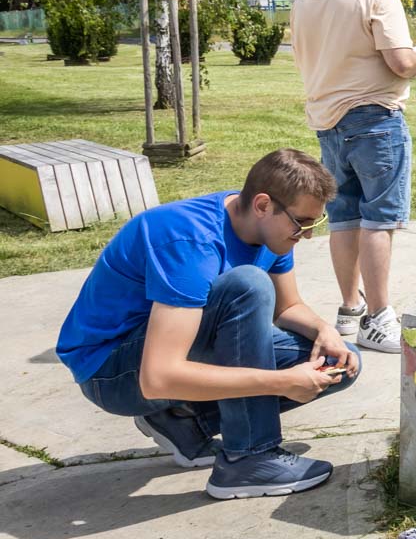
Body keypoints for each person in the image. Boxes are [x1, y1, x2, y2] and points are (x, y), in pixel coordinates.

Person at [56, 148, 362, 499]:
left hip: (162, 356)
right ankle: (248, 458)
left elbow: (287, 307)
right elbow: (158, 377)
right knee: (248, 284)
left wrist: (324, 330)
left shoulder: (270, 229)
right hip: (110, 373)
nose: (306, 234)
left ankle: (183, 420)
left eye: (313, 223)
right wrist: (283, 381)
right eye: (302, 223)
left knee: (340, 363)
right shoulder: (189, 240)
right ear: (263, 205)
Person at [290, 0, 416, 353]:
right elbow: (401, 62)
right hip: (374, 119)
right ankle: (380, 317)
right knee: (379, 219)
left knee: (344, 218)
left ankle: (350, 309)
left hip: (326, 121)